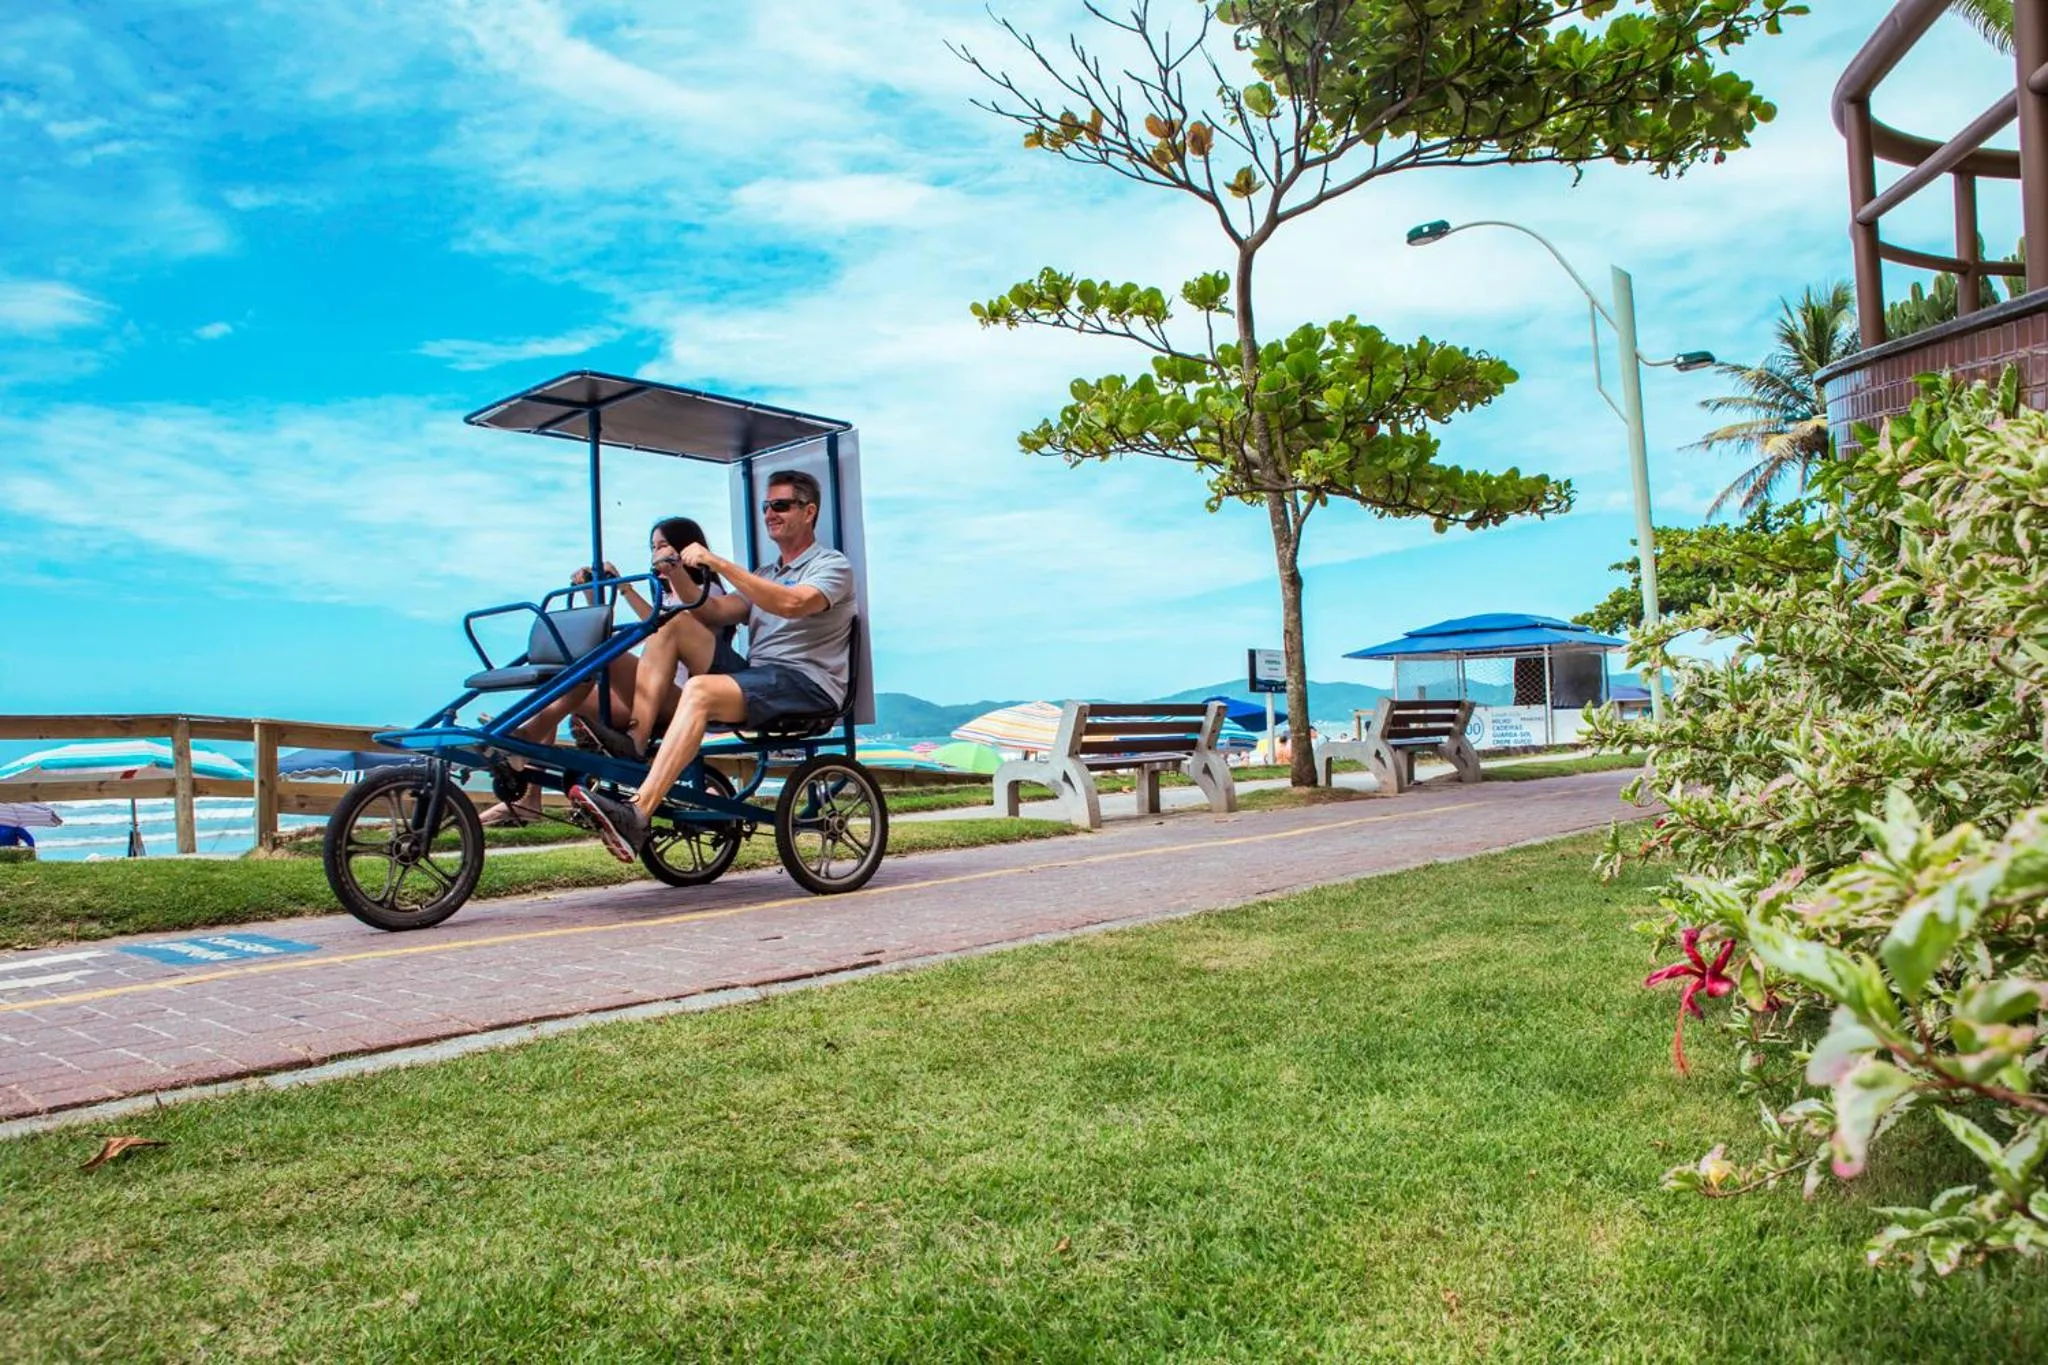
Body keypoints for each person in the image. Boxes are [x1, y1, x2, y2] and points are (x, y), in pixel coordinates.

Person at [569, 469, 856, 861]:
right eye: (766, 506)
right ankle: (636, 742)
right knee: (674, 623)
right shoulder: (765, 574)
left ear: (809, 512)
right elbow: (714, 609)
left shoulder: (832, 565)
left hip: (806, 683)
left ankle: (637, 813)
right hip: (760, 675)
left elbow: (792, 604)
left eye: (781, 505)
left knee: (699, 690)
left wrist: (718, 564)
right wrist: (674, 574)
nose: (770, 513)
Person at [478, 516, 743, 826]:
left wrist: (630, 588)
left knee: (607, 651)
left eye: (663, 545)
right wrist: (595, 591)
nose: (656, 553)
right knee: (565, 682)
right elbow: (651, 626)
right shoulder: (668, 594)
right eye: (653, 547)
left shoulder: (704, 592)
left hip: (684, 699)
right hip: (649, 696)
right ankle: (527, 788)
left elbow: (663, 626)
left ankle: (524, 740)